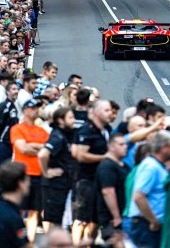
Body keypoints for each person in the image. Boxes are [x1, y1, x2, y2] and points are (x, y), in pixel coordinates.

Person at [73, 100, 112, 244]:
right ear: (96, 112)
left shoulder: (107, 130)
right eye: (106, 110)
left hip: (102, 182)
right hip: (86, 181)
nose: (110, 113)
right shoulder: (86, 130)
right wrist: (105, 158)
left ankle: (88, 244)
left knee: (96, 220)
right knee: (81, 219)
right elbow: (81, 155)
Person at [10, 98, 49, 243]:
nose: (35, 110)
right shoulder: (18, 128)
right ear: (25, 110)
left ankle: (30, 243)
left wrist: (32, 146)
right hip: (23, 175)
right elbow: (22, 148)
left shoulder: (42, 130)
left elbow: (48, 149)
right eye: (32, 107)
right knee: (19, 210)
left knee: (34, 211)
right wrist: (39, 148)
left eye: (36, 108)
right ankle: (15, 241)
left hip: (39, 175)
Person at [129, 130, 170, 248]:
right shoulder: (151, 167)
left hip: (150, 225)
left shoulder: (159, 166)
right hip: (146, 225)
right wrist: (153, 220)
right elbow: (139, 196)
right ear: (163, 147)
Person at [38, 107, 76, 230]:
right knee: (55, 221)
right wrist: (46, 172)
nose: (73, 120)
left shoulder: (66, 134)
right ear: (60, 120)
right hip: (55, 185)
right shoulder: (57, 136)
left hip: (65, 183)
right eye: (70, 118)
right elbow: (42, 154)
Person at [95, 133, 130, 241]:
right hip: (112, 219)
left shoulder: (124, 165)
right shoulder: (107, 166)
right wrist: (116, 217)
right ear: (111, 147)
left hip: (124, 215)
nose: (125, 147)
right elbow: (108, 192)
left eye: (125, 144)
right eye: (121, 144)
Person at [0, 81, 19, 205]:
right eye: (13, 89)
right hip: (3, 143)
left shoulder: (12, 105)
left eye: (17, 89)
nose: (16, 91)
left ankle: (0, 196)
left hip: (9, 143)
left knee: (5, 169)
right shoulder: (5, 106)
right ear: (7, 91)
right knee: (3, 170)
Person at [0, 161, 30, 248]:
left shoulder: (1, 211)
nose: (29, 183)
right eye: (27, 179)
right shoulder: (13, 218)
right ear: (20, 184)